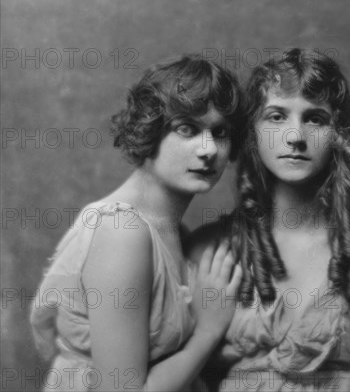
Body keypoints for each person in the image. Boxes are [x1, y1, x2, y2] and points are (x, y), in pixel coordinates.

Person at [187, 48, 350, 391]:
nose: (295, 137)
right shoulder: (211, 252)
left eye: (315, 118)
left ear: (339, 134)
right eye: (276, 117)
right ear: (252, 133)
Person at [30, 55, 244, 391]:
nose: (208, 150)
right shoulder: (122, 232)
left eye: (220, 132)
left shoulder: (171, 231)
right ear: (150, 129)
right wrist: (208, 331)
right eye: (187, 128)